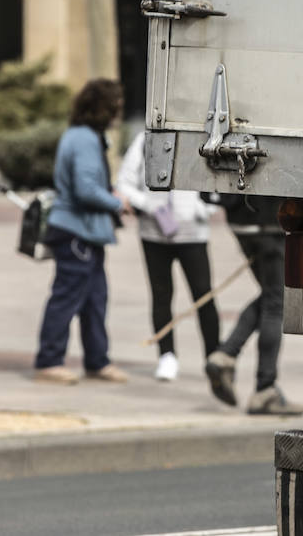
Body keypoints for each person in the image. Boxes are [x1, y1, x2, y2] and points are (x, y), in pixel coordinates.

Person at [33, 79, 130, 385]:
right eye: (115, 104)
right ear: (102, 107)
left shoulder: (84, 136)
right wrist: (116, 202)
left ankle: (97, 361)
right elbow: (86, 189)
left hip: (84, 233)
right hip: (77, 232)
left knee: (94, 300)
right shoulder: (85, 139)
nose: (119, 110)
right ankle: (49, 361)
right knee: (67, 297)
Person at [116, 133, 220, 381]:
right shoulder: (145, 140)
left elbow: (218, 179)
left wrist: (205, 207)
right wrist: (148, 204)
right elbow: (124, 183)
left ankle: (214, 357)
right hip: (154, 234)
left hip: (193, 234)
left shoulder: (203, 137)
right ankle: (167, 356)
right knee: (161, 295)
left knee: (203, 295)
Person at [202, 193, 303, 415]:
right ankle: (264, 389)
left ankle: (226, 355)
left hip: (241, 222)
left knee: (273, 296)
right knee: (277, 303)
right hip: (268, 222)